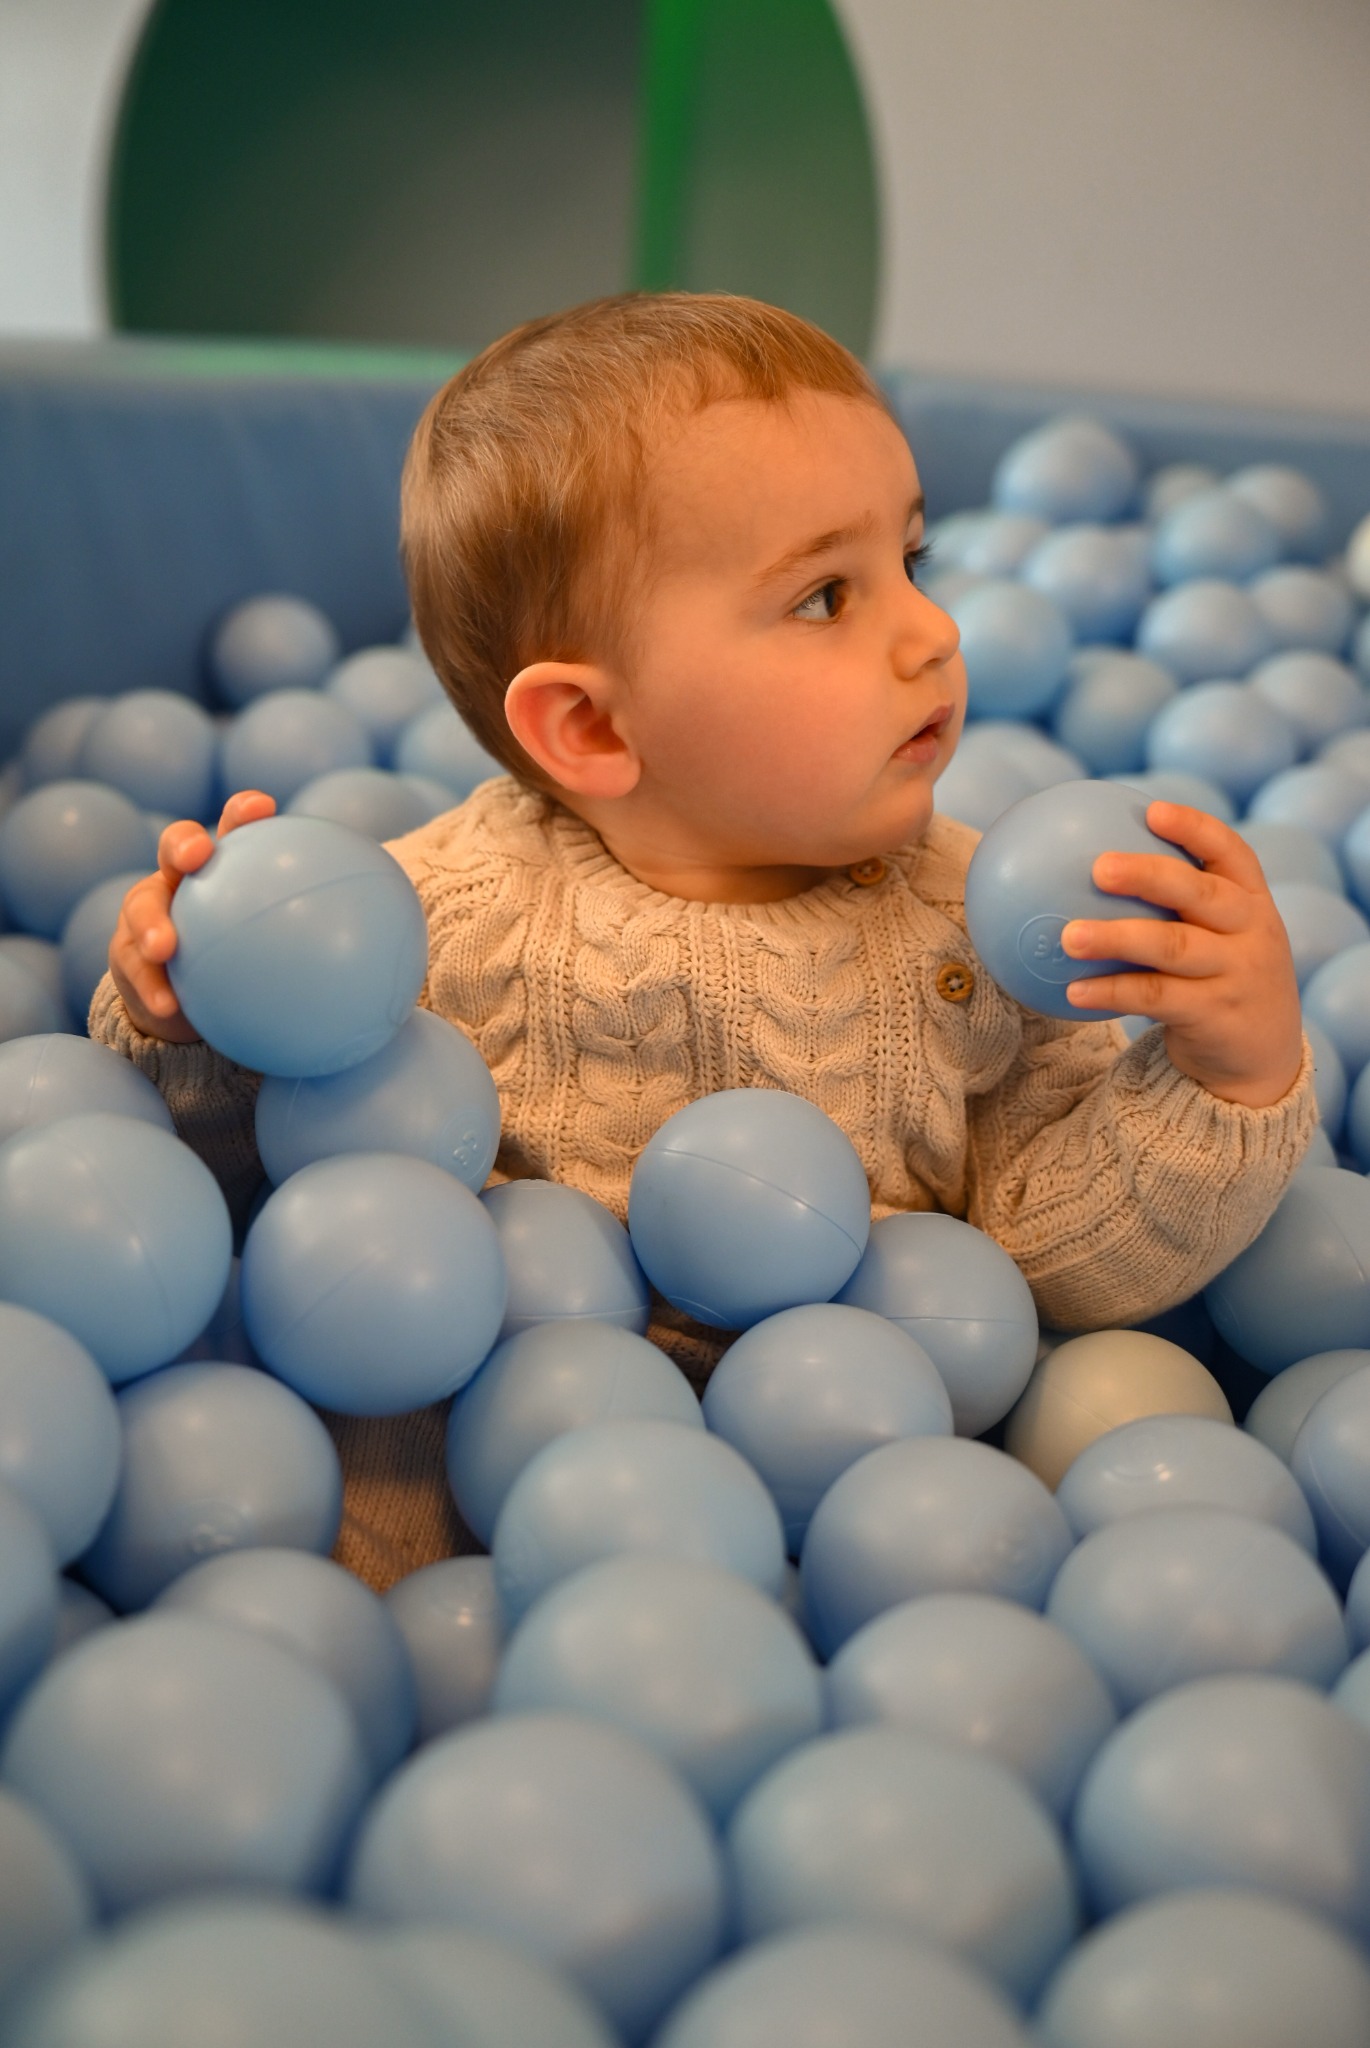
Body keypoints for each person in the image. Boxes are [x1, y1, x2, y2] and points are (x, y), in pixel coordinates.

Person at [93, 293, 1313, 1589]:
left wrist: (1222, 1076)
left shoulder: (978, 930)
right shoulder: (429, 913)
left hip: (868, 1498)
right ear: (596, 732)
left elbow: (1050, 1261)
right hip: (485, 1466)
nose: (933, 632)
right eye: (825, 596)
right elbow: (242, 1158)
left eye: (916, 559)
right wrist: (185, 1002)